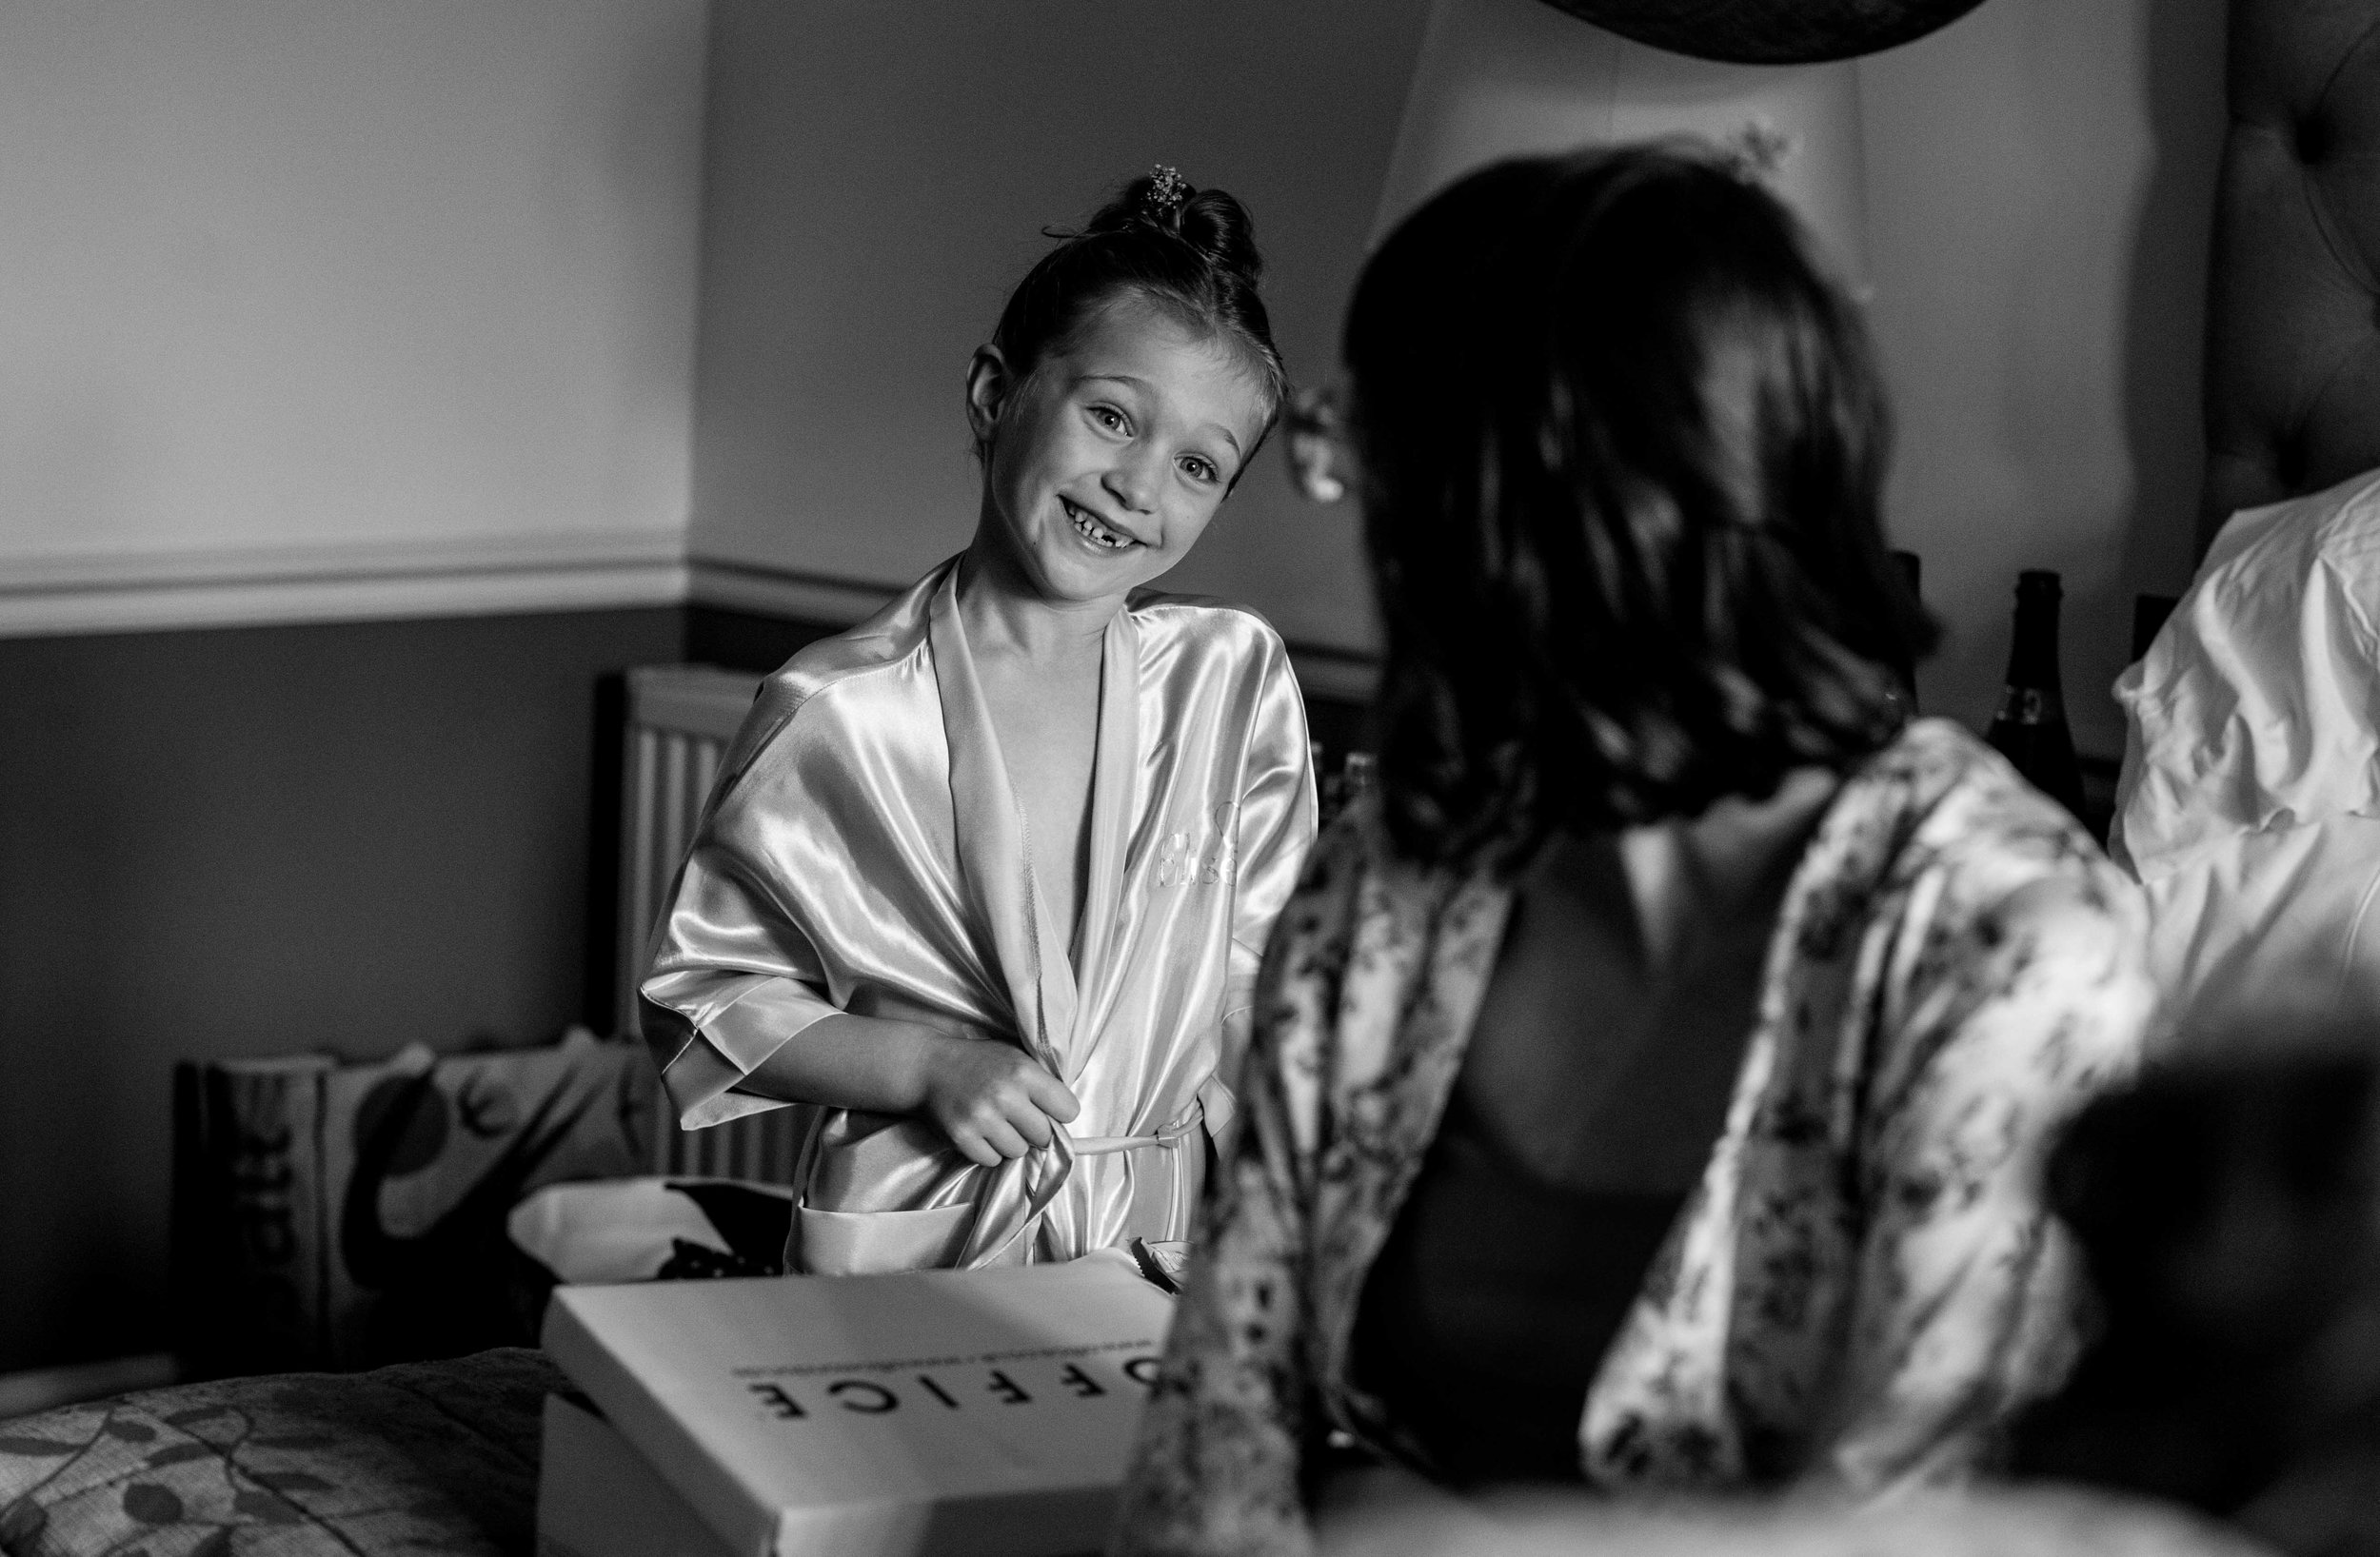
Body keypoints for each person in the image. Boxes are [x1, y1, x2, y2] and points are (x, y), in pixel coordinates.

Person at [1111, 144, 2158, 1551]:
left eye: (1391, 473)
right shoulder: (1392, 875)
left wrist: (1404, 1533)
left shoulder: (2008, 944)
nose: (1349, 513)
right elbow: (1214, 1434)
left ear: (1555, 517)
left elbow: (1918, 1531)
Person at [639, 168, 1317, 1276]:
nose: (1139, 484)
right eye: (1111, 415)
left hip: (1159, 1239)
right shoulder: (842, 709)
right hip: (921, 1243)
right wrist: (923, 1072)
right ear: (996, 393)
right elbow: (701, 998)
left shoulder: (1232, 683)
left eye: (1197, 465)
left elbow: (1266, 983)